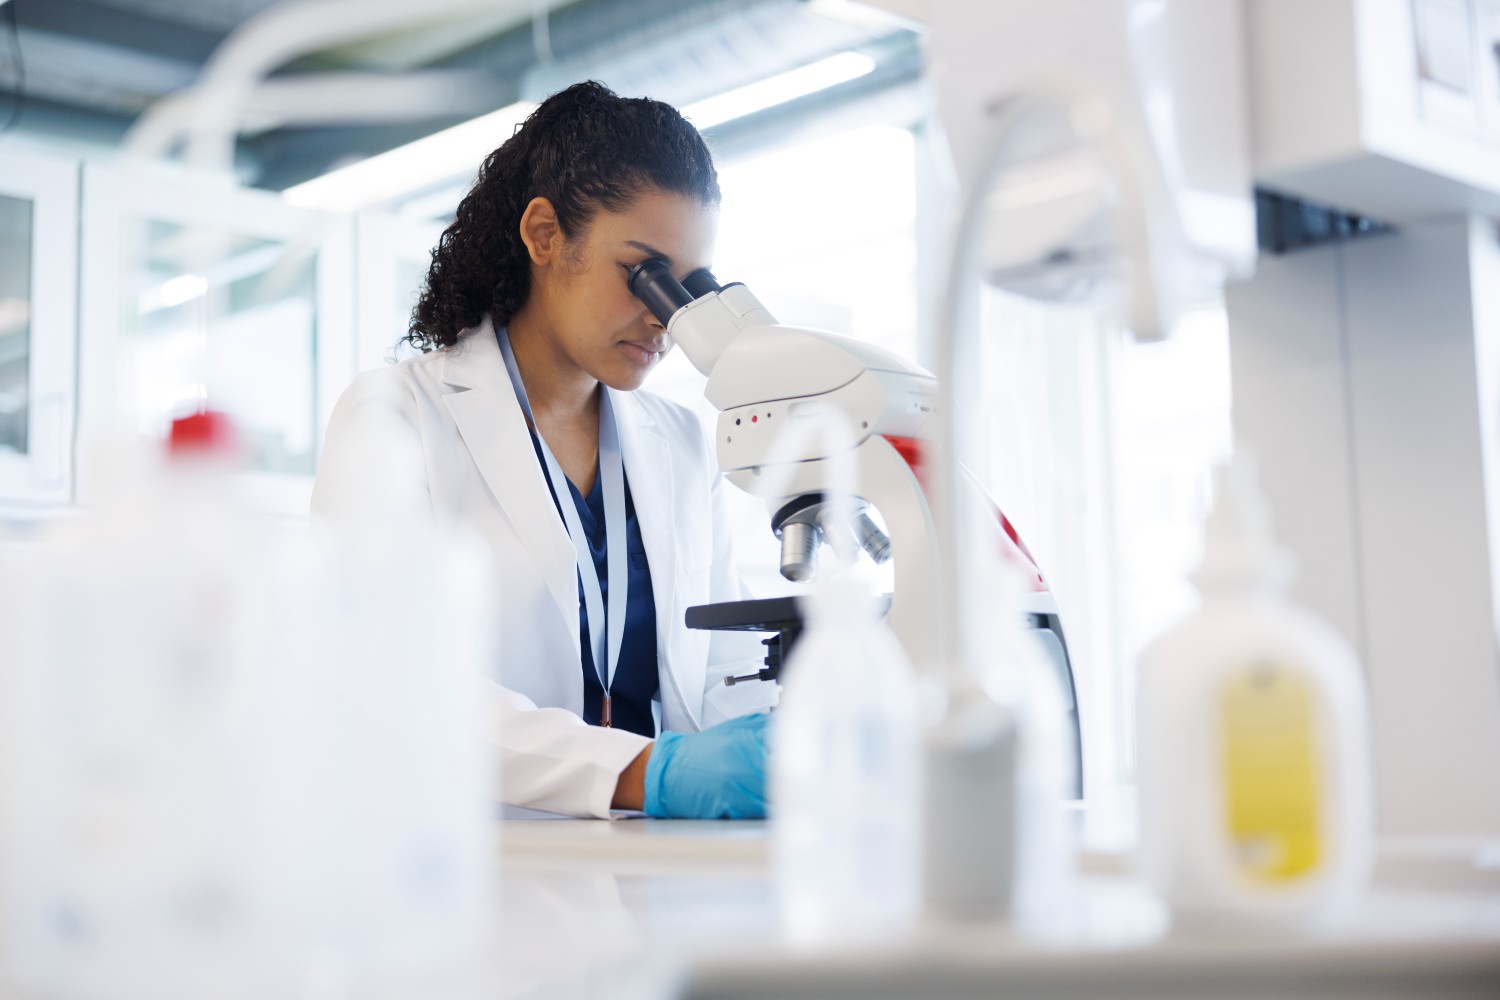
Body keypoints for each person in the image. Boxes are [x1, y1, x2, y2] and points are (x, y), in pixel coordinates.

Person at [311, 81, 777, 819]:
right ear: (545, 235)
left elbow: (722, 673)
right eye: (643, 274)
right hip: (477, 860)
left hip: (654, 861)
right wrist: (646, 772)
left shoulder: (681, 441)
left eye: (687, 289)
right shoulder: (397, 416)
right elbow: (386, 674)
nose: (667, 318)